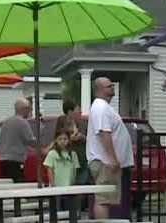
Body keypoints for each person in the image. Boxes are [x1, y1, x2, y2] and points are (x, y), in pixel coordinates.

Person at [86, 78, 133, 219]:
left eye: (113, 85)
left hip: (107, 163)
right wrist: (113, 159)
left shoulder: (104, 107)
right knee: (104, 200)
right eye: (109, 86)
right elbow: (103, 133)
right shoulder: (100, 107)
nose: (112, 88)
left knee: (109, 200)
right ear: (99, 89)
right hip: (105, 162)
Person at [0, 97, 36, 182]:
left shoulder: (6, 122)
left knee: (7, 187)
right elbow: (30, 140)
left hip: (3, 160)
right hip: (16, 161)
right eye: (29, 109)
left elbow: (9, 140)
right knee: (18, 186)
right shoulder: (22, 122)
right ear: (24, 109)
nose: (30, 111)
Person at [56, 99, 89, 185]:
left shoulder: (83, 123)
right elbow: (57, 139)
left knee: (82, 184)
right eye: (78, 110)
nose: (81, 112)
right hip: (67, 161)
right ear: (70, 112)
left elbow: (90, 140)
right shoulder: (61, 122)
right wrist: (69, 139)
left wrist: (81, 137)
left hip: (82, 160)